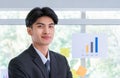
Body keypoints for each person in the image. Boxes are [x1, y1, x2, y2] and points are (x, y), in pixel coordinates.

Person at [8, 7, 72, 78]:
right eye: (40, 26)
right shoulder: (19, 64)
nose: (47, 31)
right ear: (29, 31)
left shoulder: (62, 61)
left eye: (50, 26)